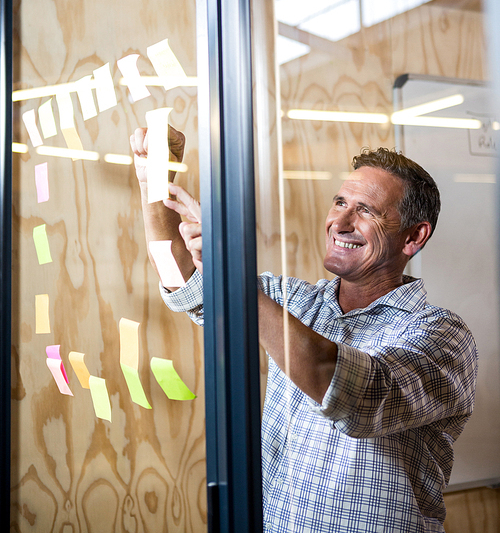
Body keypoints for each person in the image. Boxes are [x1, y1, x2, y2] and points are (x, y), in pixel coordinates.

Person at [130, 127, 477, 533]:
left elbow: (351, 393)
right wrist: (152, 173)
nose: (340, 222)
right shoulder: (292, 302)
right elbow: (180, 275)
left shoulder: (442, 335)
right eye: (340, 202)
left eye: (367, 211)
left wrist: (233, 273)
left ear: (414, 236)